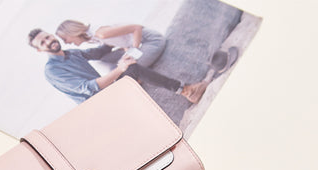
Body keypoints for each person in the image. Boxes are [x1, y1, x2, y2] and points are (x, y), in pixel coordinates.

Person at [27, 28, 217, 104]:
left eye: (47, 37)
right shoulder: (52, 70)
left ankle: (184, 89)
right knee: (130, 68)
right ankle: (187, 91)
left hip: (107, 92)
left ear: (51, 35)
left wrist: (113, 37)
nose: (49, 41)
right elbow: (89, 88)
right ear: (39, 50)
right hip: (100, 102)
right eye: (43, 43)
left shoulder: (71, 54)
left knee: (127, 64)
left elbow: (99, 51)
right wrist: (120, 68)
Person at [55, 20, 166, 67]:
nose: (66, 43)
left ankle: (137, 77)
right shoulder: (92, 37)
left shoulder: (100, 33)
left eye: (65, 39)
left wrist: (133, 51)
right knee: (105, 60)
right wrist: (126, 49)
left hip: (151, 40)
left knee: (128, 70)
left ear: (71, 32)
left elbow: (136, 28)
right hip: (140, 43)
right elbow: (121, 39)